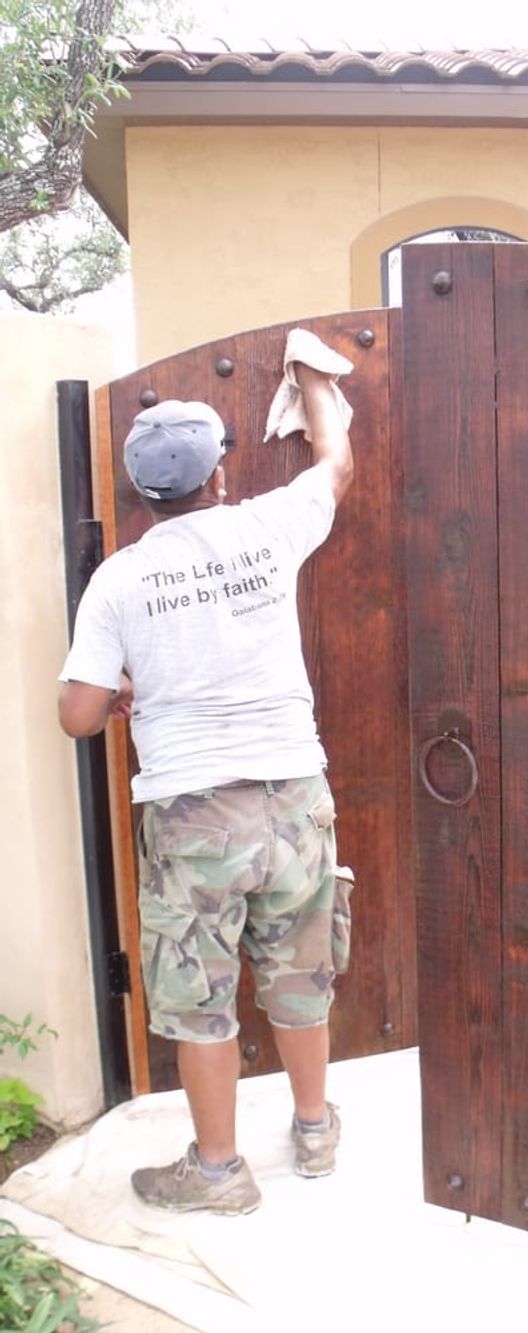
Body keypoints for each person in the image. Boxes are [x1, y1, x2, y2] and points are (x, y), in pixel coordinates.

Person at [57, 358, 353, 1216]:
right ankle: (314, 1129)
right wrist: (314, 379)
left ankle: (219, 1173)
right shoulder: (267, 525)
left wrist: (120, 695)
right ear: (221, 474)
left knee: (200, 996)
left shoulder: (116, 578)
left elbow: (77, 714)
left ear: (141, 493)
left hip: (193, 813)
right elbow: (336, 462)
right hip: (294, 791)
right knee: (300, 974)